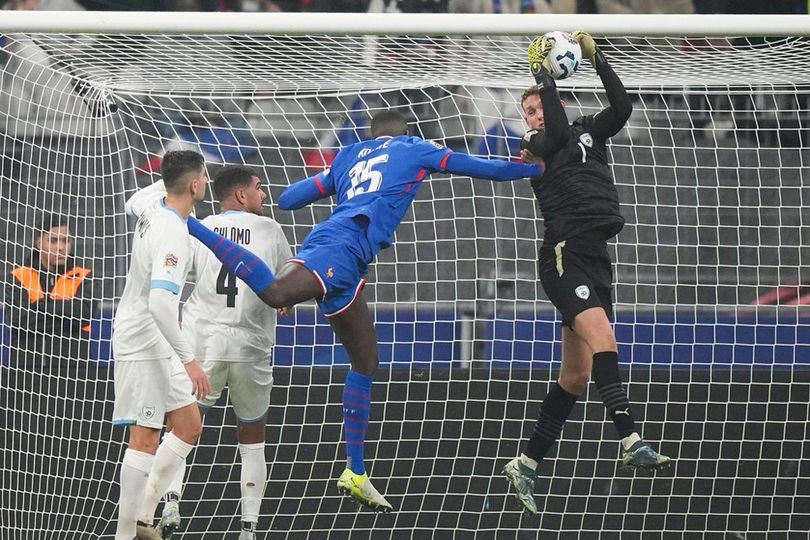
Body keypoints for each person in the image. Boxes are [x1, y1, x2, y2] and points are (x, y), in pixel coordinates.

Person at [184, 109, 542, 512]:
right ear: (405, 131)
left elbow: (288, 199)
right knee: (277, 294)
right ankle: (194, 225)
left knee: (366, 360)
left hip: (348, 260)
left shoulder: (349, 155)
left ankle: (355, 471)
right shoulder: (416, 149)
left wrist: (336, 181)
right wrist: (532, 169)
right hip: (339, 246)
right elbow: (480, 168)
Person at [501, 32, 672, 514]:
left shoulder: (590, 130)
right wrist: (543, 80)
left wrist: (597, 59)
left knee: (575, 376)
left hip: (596, 256)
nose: (533, 116)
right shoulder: (536, 141)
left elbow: (622, 106)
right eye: (528, 111)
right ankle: (630, 438)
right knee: (606, 343)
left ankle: (526, 464)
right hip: (563, 255)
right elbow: (552, 134)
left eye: (537, 107)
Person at [155, 165, 292, 540]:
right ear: (242, 195)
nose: (264, 195)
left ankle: (170, 502)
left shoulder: (202, 226)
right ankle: (248, 530)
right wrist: (286, 301)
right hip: (251, 344)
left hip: (203, 341)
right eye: (259, 189)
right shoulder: (270, 229)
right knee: (252, 436)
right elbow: (284, 287)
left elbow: (178, 278)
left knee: (181, 425)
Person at [111, 150, 211, 540]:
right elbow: (159, 304)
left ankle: (142, 517)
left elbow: (131, 200)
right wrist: (190, 361)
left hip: (160, 337)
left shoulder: (152, 204)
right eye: (202, 175)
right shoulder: (172, 230)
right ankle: (124, 535)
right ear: (194, 184)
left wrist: (173, 168)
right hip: (145, 337)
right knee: (145, 435)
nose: (205, 181)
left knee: (188, 425)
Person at [5, 212, 94, 365]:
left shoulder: (83, 275)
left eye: (66, 241)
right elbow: (19, 322)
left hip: (73, 369)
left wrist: (39, 307)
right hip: (26, 369)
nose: (61, 248)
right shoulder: (18, 276)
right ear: (39, 243)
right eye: (53, 241)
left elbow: (83, 314)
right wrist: (66, 317)